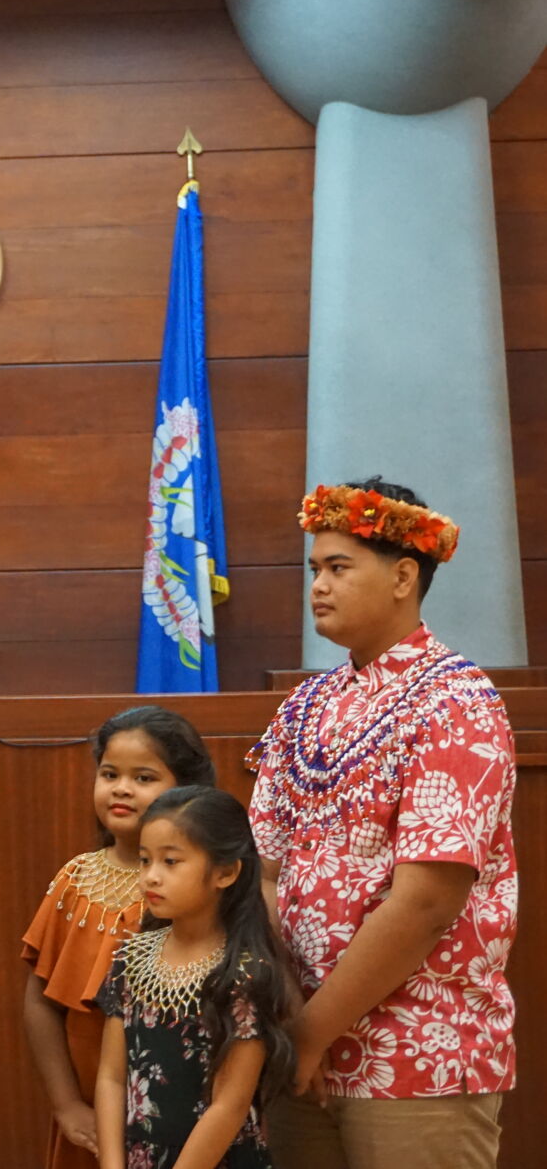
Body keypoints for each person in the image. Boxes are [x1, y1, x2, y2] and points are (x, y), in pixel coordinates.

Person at [248, 479, 516, 1169]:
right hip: (294, 1043)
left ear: (402, 576)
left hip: (417, 1054)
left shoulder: (456, 700)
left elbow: (426, 900)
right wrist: (285, 1022)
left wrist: (309, 1033)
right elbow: (262, 871)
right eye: (313, 569)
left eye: (338, 568)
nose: (317, 585)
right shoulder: (301, 707)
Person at [22, 706, 217, 1168]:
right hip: (90, 1115)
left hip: (185, 1113)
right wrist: (67, 1103)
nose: (122, 788)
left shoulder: (196, 886)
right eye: (110, 774)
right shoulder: (76, 880)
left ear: (187, 788)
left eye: (144, 777)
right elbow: (39, 1001)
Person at [93, 786, 293, 1169]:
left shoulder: (244, 974)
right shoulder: (130, 958)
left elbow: (229, 1106)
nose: (151, 877)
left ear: (226, 872)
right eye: (145, 860)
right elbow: (112, 1077)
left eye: (170, 862)